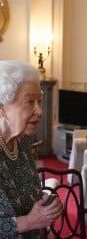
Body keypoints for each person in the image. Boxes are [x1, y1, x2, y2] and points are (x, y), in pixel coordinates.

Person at [0, 60, 62, 238]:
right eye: (30, 102)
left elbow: (29, 194)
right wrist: (29, 222)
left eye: (40, 101)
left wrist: (48, 203)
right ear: (2, 108)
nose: (39, 111)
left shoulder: (22, 143)